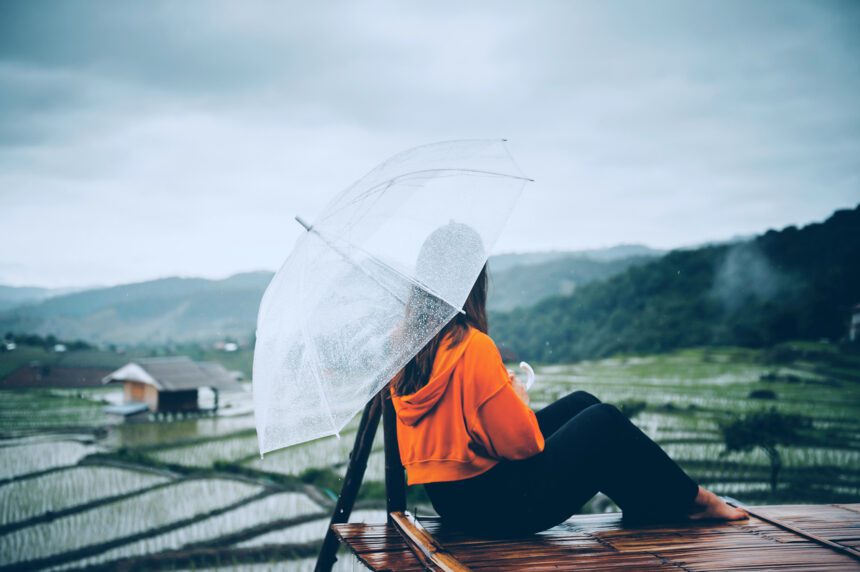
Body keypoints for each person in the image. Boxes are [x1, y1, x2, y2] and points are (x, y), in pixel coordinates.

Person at [390, 262, 748, 537]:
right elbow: (522, 447)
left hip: (454, 503)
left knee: (581, 403)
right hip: (500, 508)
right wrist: (515, 396)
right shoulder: (472, 346)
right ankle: (693, 501)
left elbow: (461, 427)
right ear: (472, 281)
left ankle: (650, 504)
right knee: (603, 421)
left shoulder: (407, 348)